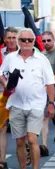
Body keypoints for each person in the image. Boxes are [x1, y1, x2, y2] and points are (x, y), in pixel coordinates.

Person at [0, 28, 55, 169]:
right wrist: (6, 84)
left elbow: (50, 83)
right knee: (20, 141)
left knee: (32, 139)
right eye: (23, 40)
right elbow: (1, 73)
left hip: (36, 104)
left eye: (30, 40)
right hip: (16, 103)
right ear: (19, 42)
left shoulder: (42, 60)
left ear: (34, 41)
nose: (26, 43)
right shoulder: (10, 58)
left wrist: (51, 104)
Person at [0, 27, 18, 169]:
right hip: (3, 95)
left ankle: (28, 152)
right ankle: (2, 161)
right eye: (9, 38)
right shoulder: (1, 54)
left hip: (21, 96)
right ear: (5, 39)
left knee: (21, 129)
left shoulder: (25, 52)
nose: (11, 40)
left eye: (14, 37)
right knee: (2, 127)